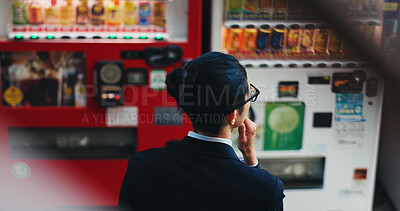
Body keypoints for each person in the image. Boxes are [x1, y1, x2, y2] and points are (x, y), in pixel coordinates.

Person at [118, 52, 285, 211]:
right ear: (233, 115)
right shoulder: (267, 189)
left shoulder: (141, 166)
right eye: (250, 95)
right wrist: (251, 159)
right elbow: (255, 192)